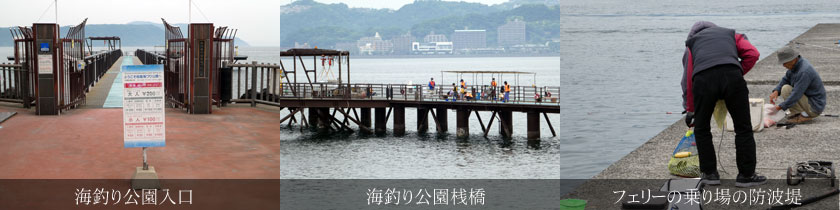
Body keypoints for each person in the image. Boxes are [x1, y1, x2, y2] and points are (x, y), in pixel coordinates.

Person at [681, 21, 764, 187]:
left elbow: (688, 78)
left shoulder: (693, 43)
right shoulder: (730, 34)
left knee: (702, 128)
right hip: (732, 76)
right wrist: (736, 71)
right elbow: (753, 54)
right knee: (743, 128)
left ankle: (710, 174)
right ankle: (746, 176)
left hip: (703, 80)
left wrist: (690, 109)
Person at [768, 46, 826, 124]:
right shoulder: (795, 65)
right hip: (808, 100)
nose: (783, 65)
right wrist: (776, 91)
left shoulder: (804, 72)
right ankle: (798, 113)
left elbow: (796, 94)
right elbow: (786, 79)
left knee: (787, 90)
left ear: (793, 59)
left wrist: (780, 107)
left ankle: (805, 116)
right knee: (785, 88)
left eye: (785, 62)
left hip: (814, 106)